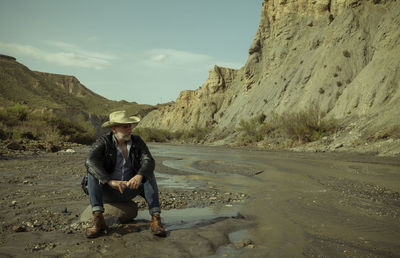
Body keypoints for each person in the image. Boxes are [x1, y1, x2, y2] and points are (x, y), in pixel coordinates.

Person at [83, 110, 166, 238]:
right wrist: (110, 181)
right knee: (91, 173)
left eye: (130, 126)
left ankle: (156, 219)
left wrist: (139, 176)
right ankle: (98, 219)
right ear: (114, 129)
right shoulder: (104, 141)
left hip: (130, 188)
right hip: (108, 190)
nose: (130, 129)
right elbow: (90, 161)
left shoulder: (137, 141)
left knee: (148, 172)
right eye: (125, 126)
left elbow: (148, 160)